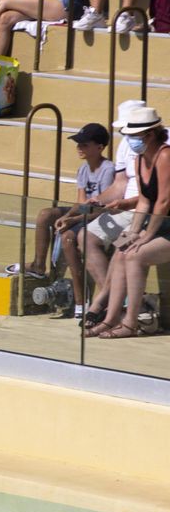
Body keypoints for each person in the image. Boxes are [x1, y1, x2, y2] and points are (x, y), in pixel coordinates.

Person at [85, 108, 170, 339]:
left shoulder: (165, 156)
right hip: (158, 224)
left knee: (135, 255)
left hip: (165, 225)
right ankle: (111, 318)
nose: (130, 140)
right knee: (122, 247)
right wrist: (134, 231)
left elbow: (162, 202)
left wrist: (146, 236)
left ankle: (131, 323)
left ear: (150, 135)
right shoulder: (140, 159)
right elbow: (144, 201)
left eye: (134, 136)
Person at [4, 123, 113, 296]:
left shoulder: (108, 169)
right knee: (46, 214)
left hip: (102, 216)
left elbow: (103, 209)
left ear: (100, 147)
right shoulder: (84, 169)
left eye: (84, 144)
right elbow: (81, 203)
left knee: (68, 236)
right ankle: (38, 265)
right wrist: (68, 215)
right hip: (86, 212)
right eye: (78, 144)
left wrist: (72, 221)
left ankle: (80, 298)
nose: (79, 148)